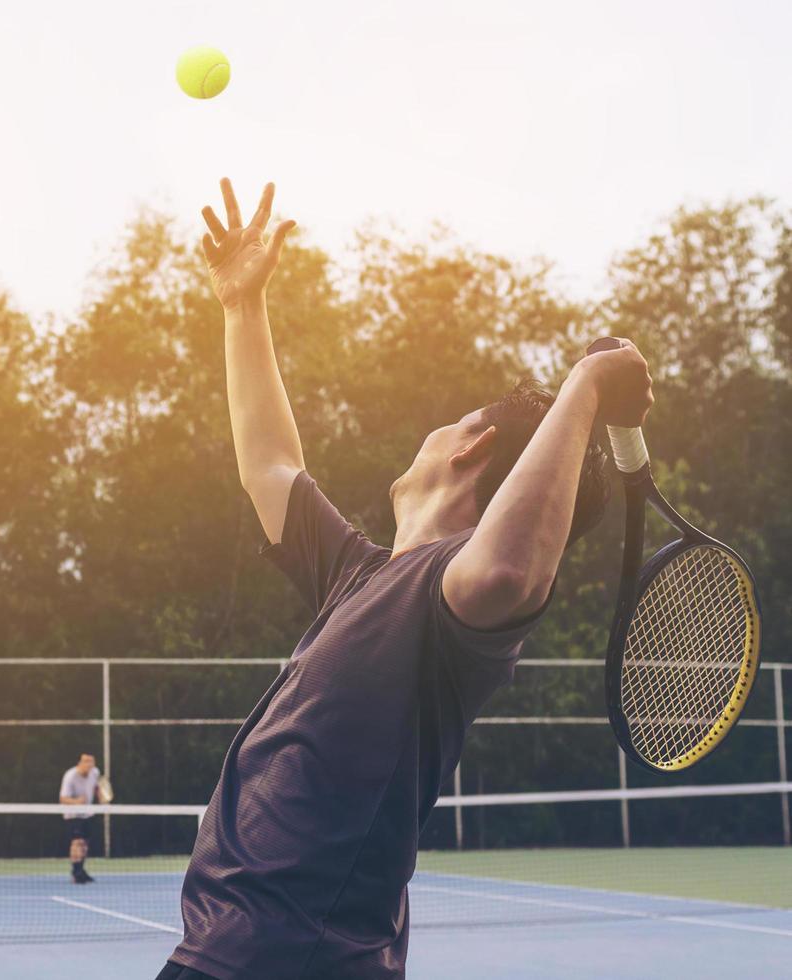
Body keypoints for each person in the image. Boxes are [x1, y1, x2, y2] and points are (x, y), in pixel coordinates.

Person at [155, 179, 652, 980]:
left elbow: (508, 571)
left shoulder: (449, 593)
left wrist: (584, 389)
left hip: (287, 960)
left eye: (451, 421)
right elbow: (270, 464)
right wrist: (241, 308)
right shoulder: (359, 574)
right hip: (241, 952)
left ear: (470, 450)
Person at [59, 752, 102, 884]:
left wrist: (101, 797)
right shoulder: (70, 776)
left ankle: (81, 870)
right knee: (77, 842)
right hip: (72, 814)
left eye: (91, 763)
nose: (89, 766)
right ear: (80, 763)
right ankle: (76, 872)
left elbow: (96, 787)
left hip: (87, 813)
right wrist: (77, 801)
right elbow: (63, 799)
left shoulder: (95, 772)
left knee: (85, 843)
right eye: (86, 763)